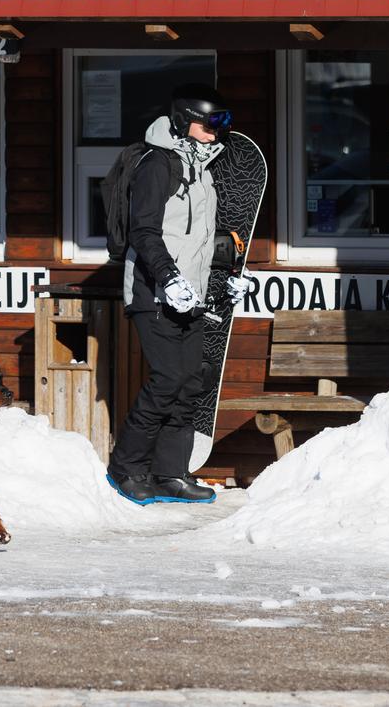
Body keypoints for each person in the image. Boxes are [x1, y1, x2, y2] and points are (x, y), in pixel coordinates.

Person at [106, 84, 244, 506]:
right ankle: (126, 468)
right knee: (167, 381)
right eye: (211, 123)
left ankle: (171, 474)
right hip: (153, 293)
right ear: (185, 121)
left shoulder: (201, 169)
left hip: (191, 294)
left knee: (188, 385)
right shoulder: (157, 164)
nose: (217, 131)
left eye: (222, 123)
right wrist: (168, 279)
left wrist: (227, 276)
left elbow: (197, 239)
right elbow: (144, 232)